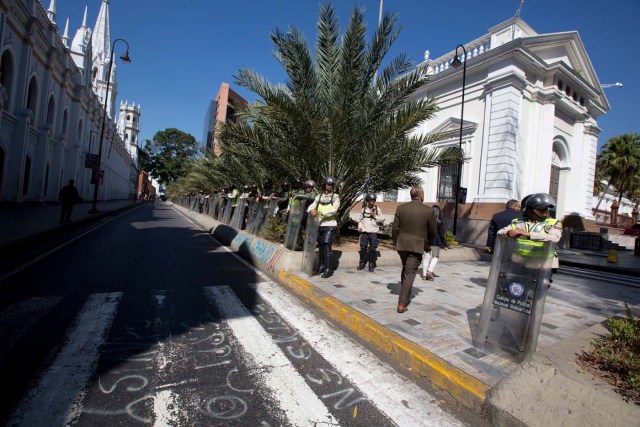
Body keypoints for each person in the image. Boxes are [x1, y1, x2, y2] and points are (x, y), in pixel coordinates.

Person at [497, 192, 562, 280]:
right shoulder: (518, 222)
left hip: (543, 263)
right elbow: (500, 232)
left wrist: (528, 234)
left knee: (535, 291)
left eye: (546, 209)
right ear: (529, 210)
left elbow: (554, 238)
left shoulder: (553, 223)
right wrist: (509, 233)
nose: (545, 213)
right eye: (541, 210)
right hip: (520, 261)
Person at [392, 187, 437, 313]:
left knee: (406, 268)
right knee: (409, 272)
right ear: (421, 195)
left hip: (402, 245)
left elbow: (395, 228)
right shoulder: (428, 211)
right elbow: (433, 231)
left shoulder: (401, 208)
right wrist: (429, 245)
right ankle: (402, 303)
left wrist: (396, 242)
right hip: (417, 246)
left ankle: (405, 292)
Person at [308, 177, 340, 278]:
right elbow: (312, 205)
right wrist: (311, 210)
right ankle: (321, 267)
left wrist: (320, 213)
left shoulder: (335, 197)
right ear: (324, 185)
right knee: (321, 245)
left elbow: (334, 210)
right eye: (328, 184)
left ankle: (328, 269)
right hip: (320, 224)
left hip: (330, 224)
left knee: (326, 245)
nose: (330, 186)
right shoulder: (319, 196)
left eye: (332, 185)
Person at [421, 205, 448, 280]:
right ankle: (429, 271)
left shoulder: (426, 220)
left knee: (426, 257)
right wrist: (444, 244)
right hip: (435, 241)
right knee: (435, 257)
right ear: (439, 212)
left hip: (426, 241)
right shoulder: (439, 222)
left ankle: (424, 275)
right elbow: (441, 234)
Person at [357, 193, 383, 272]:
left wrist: (375, 216)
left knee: (373, 248)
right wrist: (359, 227)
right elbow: (360, 220)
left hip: (373, 232)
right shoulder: (364, 209)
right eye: (370, 200)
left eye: (373, 200)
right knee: (363, 247)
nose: (372, 201)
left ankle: (371, 263)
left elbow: (381, 219)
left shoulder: (377, 209)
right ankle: (362, 263)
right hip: (365, 231)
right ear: (367, 201)